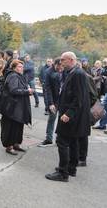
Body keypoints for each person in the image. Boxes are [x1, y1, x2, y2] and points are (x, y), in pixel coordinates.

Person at [45, 52, 91, 182]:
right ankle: (71, 168)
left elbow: (79, 98)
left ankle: (62, 172)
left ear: (71, 60)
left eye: (63, 60)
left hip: (71, 116)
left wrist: (68, 114)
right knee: (73, 142)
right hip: (73, 115)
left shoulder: (78, 74)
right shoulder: (74, 72)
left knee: (62, 141)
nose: (61, 62)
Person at [1, 59, 33, 155]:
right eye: (19, 66)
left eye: (22, 67)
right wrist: (27, 92)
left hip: (18, 106)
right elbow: (13, 90)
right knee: (11, 126)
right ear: (14, 68)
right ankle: (9, 146)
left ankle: (16, 144)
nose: (21, 68)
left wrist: (27, 90)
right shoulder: (13, 76)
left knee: (18, 126)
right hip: (12, 107)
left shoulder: (19, 76)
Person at [39, 58, 63, 147]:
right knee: (52, 119)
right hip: (54, 100)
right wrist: (51, 103)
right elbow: (47, 89)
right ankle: (49, 139)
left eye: (62, 66)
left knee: (62, 120)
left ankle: (60, 139)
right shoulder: (49, 72)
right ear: (55, 64)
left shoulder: (65, 70)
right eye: (59, 66)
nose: (61, 68)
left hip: (64, 100)